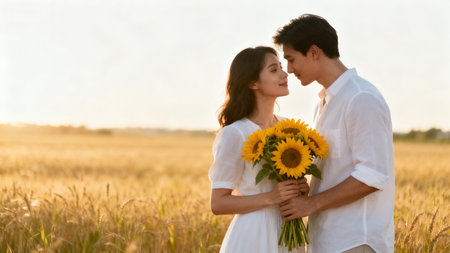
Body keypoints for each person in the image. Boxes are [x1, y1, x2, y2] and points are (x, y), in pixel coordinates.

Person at [273, 14, 395, 253]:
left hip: (355, 240)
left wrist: (311, 203)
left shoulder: (361, 98)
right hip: (326, 239)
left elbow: (372, 175)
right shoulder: (324, 103)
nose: (289, 69)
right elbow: (336, 171)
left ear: (314, 52)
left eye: (291, 59)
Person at [209, 46, 309, 253]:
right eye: (274, 70)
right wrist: (271, 197)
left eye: (281, 67)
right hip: (254, 234)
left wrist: (301, 188)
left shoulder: (290, 128)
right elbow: (218, 203)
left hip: (289, 231)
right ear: (252, 83)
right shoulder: (235, 133)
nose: (284, 74)